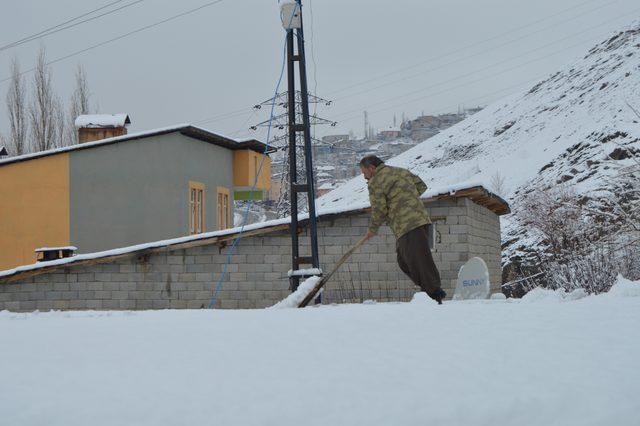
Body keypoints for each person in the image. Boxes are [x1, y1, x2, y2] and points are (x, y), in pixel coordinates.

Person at [360, 155, 446, 304]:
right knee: (404, 260)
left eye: (364, 172)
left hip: (407, 224)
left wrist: (373, 229)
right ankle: (428, 290)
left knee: (420, 259)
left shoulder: (375, 181)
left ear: (372, 168)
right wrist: (407, 200)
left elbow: (379, 209)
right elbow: (421, 186)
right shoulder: (401, 171)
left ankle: (434, 293)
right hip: (419, 220)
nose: (364, 176)